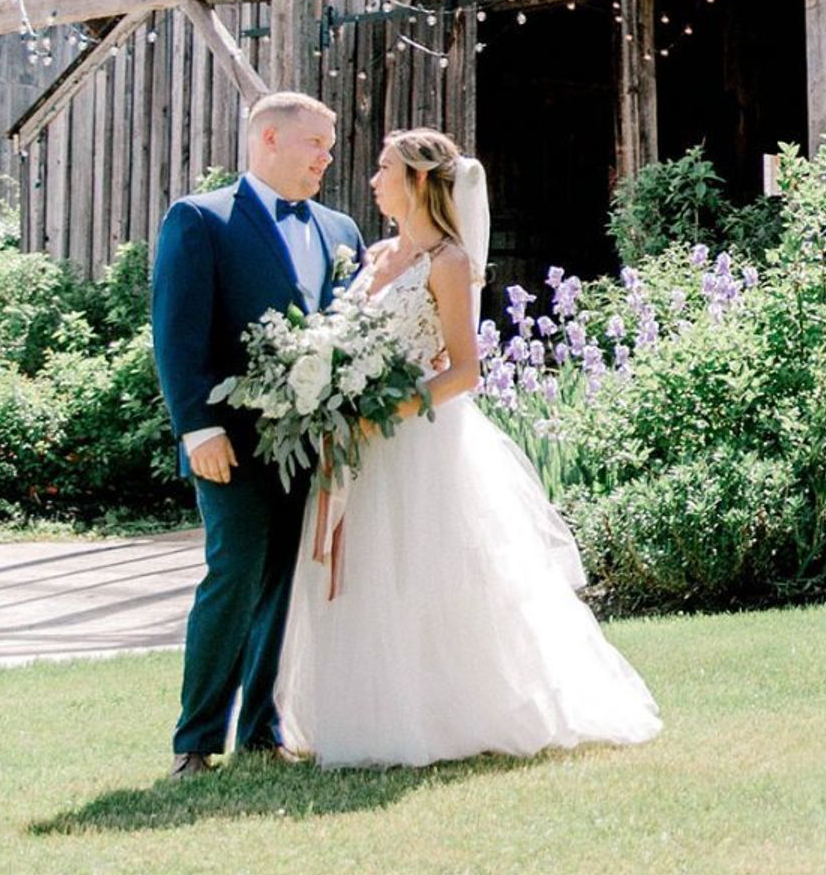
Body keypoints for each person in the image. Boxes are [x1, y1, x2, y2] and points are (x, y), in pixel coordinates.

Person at [273, 128, 659, 769]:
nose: (373, 180)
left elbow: (465, 370)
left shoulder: (449, 262)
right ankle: (365, 713)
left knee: (428, 576)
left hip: (420, 442)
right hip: (361, 445)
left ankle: (449, 712)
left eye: (384, 168)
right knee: (365, 579)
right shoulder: (375, 257)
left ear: (419, 179)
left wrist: (381, 414)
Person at [148, 91, 362, 775]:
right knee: (234, 574)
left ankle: (263, 731)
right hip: (231, 442)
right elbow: (177, 332)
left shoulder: (341, 230)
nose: (326, 159)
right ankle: (195, 741)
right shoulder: (199, 219)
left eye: (330, 147)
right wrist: (197, 428)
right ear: (269, 139)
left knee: (284, 583)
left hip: (316, 444)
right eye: (315, 144)